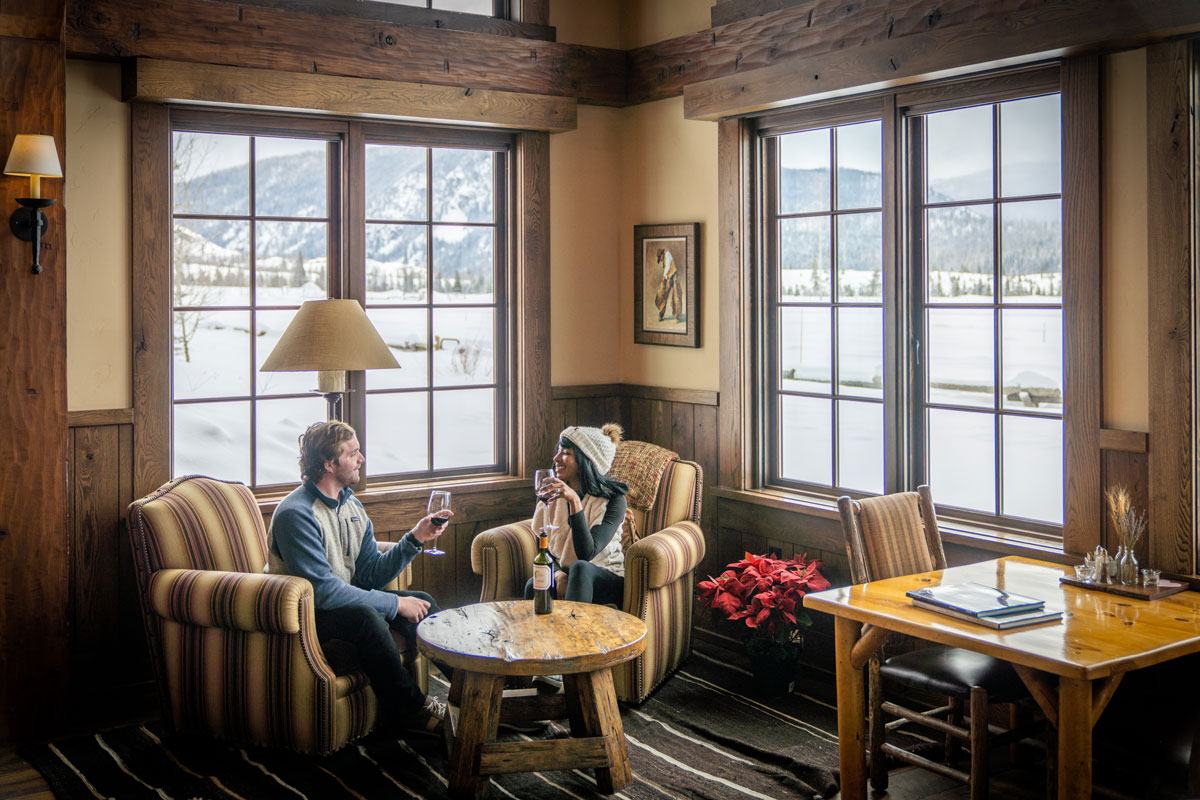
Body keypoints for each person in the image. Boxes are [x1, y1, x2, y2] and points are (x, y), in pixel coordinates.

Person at [267, 421, 449, 738]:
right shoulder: (296, 514)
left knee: (423, 602)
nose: (362, 459)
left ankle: (475, 689)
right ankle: (413, 712)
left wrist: (416, 538)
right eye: (353, 453)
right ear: (329, 463)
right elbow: (323, 593)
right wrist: (394, 604)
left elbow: (368, 574)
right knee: (367, 617)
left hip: (341, 605)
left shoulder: (351, 505)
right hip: (305, 618)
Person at [526, 423, 629, 608]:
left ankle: (573, 636)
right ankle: (535, 637)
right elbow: (543, 549)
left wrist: (574, 501)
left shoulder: (614, 500)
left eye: (566, 453)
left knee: (580, 569)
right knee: (534, 583)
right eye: (558, 450)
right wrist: (558, 574)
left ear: (586, 460)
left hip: (605, 578)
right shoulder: (550, 493)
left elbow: (587, 553)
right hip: (567, 573)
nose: (556, 458)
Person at [653, 247, 682, 323]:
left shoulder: (667, 254)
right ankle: (661, 314)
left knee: (676, 297)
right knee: (664, 295)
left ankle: (677, 317)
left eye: (660, 258)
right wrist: (664, 278)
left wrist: (664, 275)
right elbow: (666, 271)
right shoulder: (664, 261)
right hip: (669, 278)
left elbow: (668, 267)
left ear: (661, 255)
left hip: (674, 277)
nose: (661, 260)